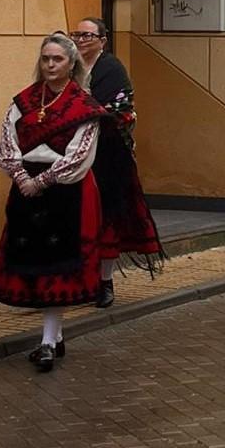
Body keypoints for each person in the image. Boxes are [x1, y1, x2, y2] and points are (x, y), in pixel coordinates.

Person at [0, 33, 106, 372]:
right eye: (45, 59)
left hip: (66, 191)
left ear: (72, 64)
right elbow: (7, 142)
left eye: (57, 59)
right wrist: (21, 177)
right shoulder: (22, 101)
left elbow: (81, 154)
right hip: (26, 189)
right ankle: (53, 336)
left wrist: (42, 180)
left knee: (59, 266)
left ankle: (46, 342)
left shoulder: (85, 106)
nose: (50, 65)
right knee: (35, 262)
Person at [70, 18, 163, 308]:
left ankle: (105, 282)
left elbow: (119, 111)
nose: (82, 40)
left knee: (106, 216)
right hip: (70, 155)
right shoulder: (67, 65)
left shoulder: (111, 68)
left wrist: (81, 111)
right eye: (77, 35)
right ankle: (72, 282)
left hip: (107, 155)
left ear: (102, 39)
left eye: (88, 35)